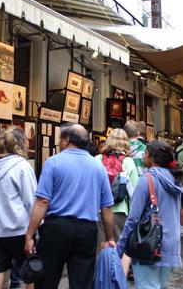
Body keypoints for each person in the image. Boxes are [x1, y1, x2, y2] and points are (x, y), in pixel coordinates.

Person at [25, 123, 115, 289]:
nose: (59, 143)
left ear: (66, 140)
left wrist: (30, 234)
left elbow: (42, 201)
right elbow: (106, 208)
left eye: (60, 139)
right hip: (86, 230)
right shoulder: (98, 167)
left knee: (47, 280)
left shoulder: (53, 162)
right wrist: (110, 237)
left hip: (56, 229)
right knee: (82, 282)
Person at [0, 127, 37, 289]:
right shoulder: (22, 166)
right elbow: (31, 201)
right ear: (20, 144)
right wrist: (36, 228)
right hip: (17, 229)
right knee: (30, 273)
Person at [117, 140, 183, 289]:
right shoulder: (176, 180)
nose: (143, 155)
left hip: (148, 245)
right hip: (171, 244)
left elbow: (133, 218)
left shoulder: (146, 180)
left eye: (145, 152)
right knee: (160, 285)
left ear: (153, 157)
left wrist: (120, 247)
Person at [96, 129, 139, 274]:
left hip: (99, 211)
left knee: (101, 246)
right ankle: (117, 277)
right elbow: (135, 192)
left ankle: (101, 276)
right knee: (119, 247)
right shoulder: (128, 162)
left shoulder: (97, 159)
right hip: (120, 211)